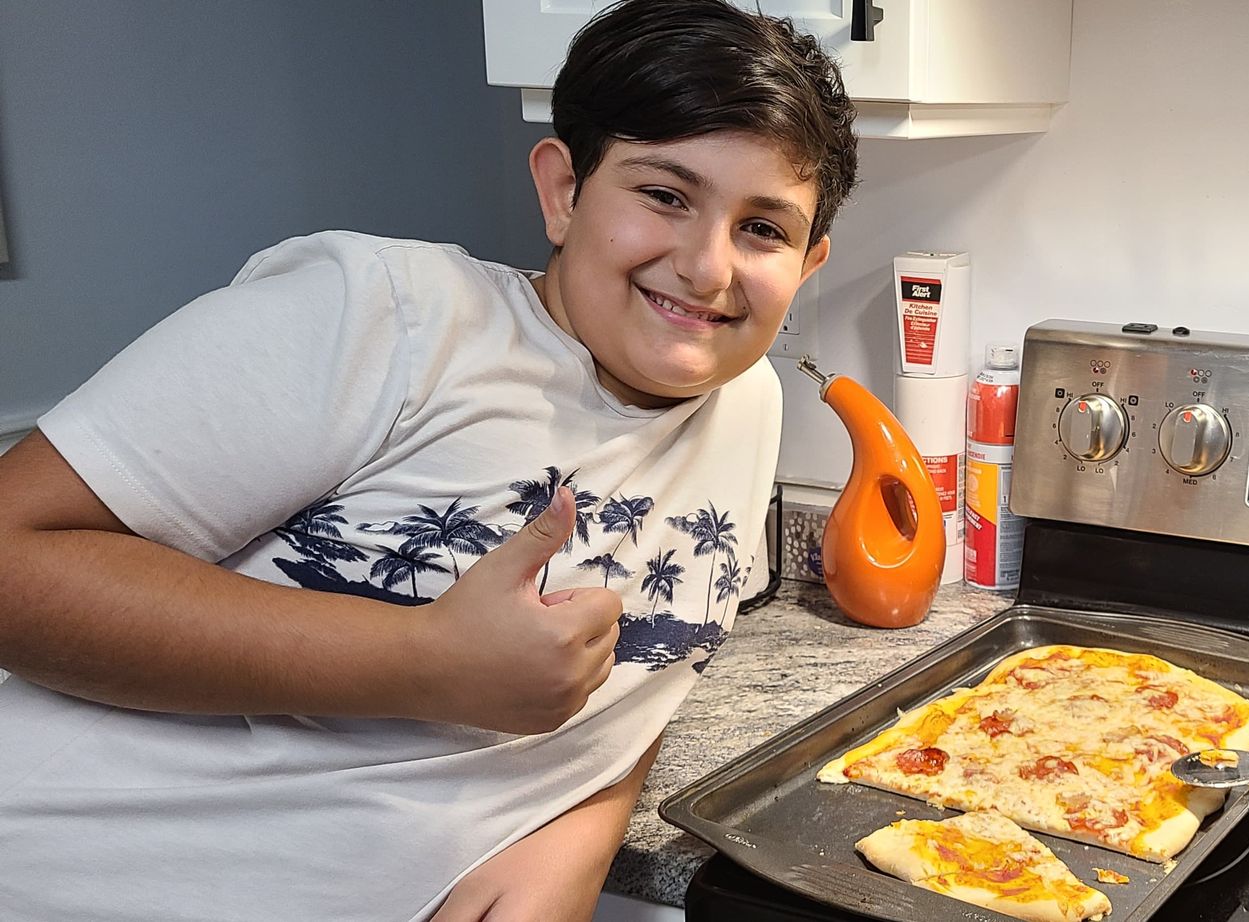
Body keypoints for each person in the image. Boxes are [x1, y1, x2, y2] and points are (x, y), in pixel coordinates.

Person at [0, 1, 857, 918]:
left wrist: (576, 836)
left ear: (808, 264)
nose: (705, 266)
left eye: (763, 228)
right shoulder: (381, 317)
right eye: (664, 195)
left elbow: (648, 667)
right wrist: (417, 659)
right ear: (564, 191)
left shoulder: (747, 401)